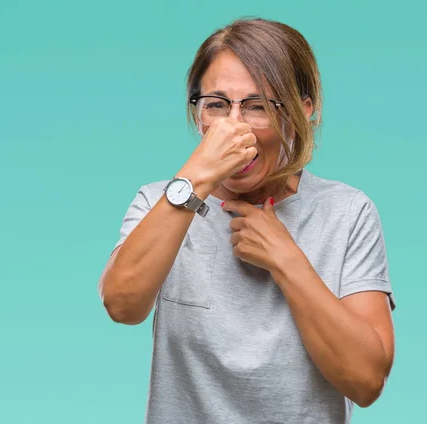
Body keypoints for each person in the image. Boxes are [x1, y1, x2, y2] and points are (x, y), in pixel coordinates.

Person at [98, 17, 395, 424]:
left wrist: (286, 260)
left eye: (258, 106)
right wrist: (195, 179)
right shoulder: (160, 203)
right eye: (217, 106)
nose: (235, 127)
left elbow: (366, 381)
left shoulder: (347, 212)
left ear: (302, 110)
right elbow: (122, 305)